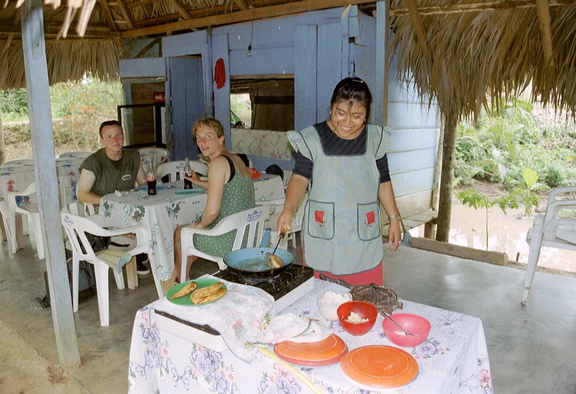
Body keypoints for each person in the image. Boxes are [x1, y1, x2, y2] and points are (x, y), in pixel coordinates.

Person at [277, 77, 402, 286]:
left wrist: (394, 218)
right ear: (331, 108)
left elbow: (384, 181)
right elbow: (300, 178)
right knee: (324, 298)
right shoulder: (312, 138)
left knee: (364, 299)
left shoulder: (375, 138)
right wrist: (288, 209)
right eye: (340, 113)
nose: (346, 122)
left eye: (356, 116)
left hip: (363, 234)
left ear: (366, 115)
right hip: (324, 233)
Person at [174, 118, 255, 282]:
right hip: (246, 235)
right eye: (198, 137)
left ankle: (181, 280)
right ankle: (178, 273)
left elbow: (211, 213)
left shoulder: (218, 163)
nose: (202, 142)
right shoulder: (235, 159)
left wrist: (201, 225)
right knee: (190, 230)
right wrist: (198, 182)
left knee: (181, 232)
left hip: (227, 240)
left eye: (208, 136)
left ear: (221, 138)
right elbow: (225, 186)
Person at [76, 120, 150, 274]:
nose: (114, 140)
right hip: (104, 211)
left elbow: (142, 183)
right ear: (102, 140)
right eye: (109, 137)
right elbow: (81, 193)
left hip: (130, 206)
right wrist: (108, 203)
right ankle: (133, 251)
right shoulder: (93, 162)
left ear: (123, 136)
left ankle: (144, 249)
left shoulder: (133, 156)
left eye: (118, 135)